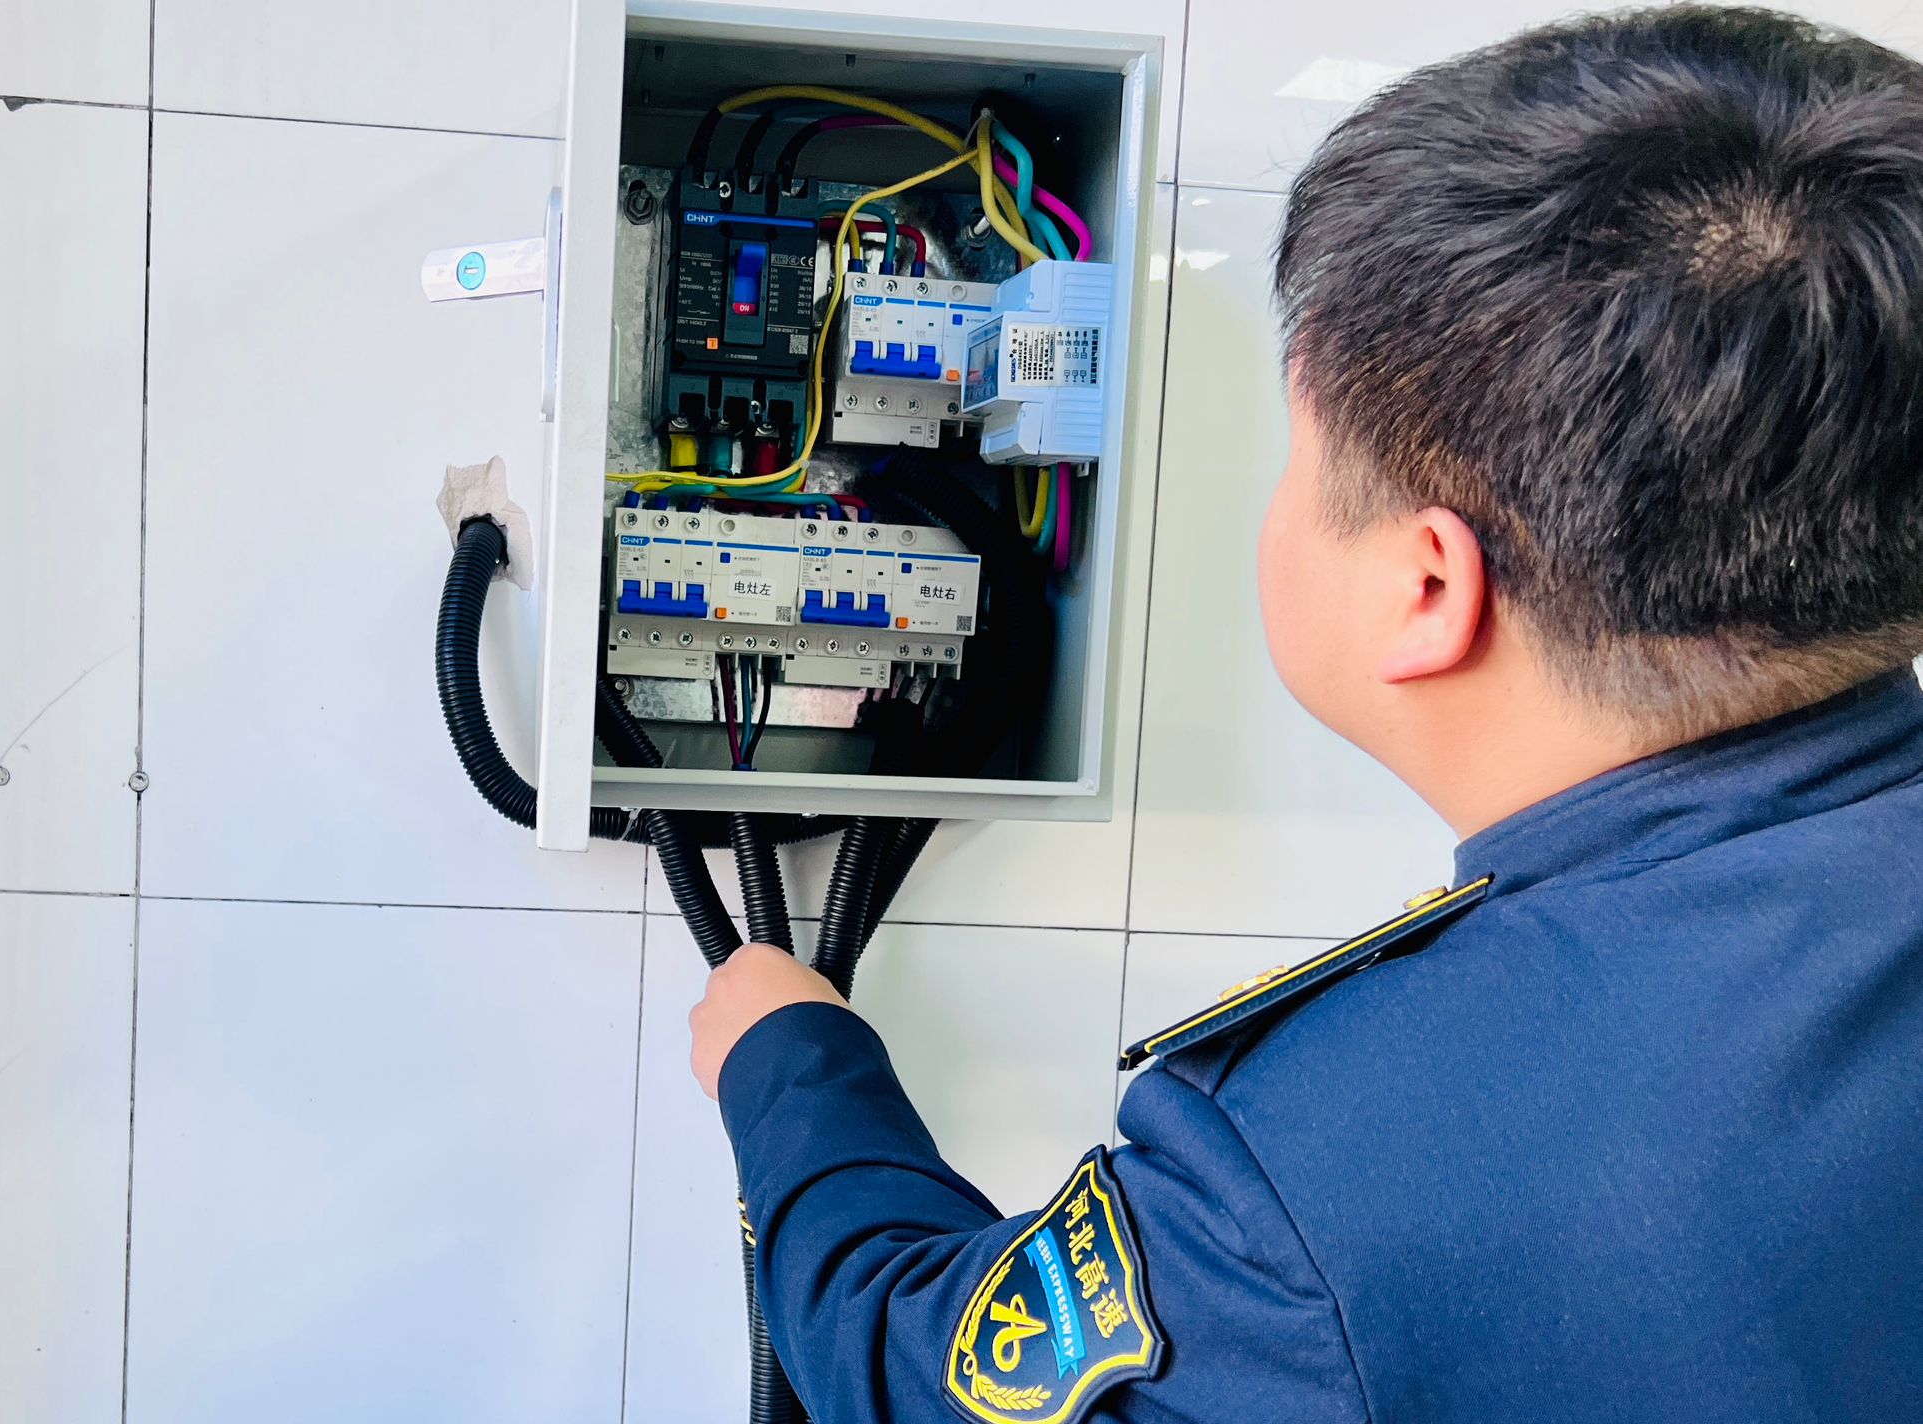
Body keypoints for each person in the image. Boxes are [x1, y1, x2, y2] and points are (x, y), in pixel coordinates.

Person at [687, 8, 1923, 1422]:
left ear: (1426, 588)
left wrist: (789, 1069)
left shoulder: (1317, 1187)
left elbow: (911, 1370)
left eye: (1304, 448)